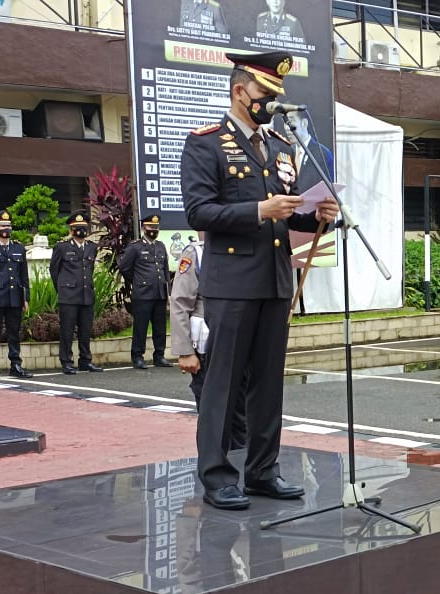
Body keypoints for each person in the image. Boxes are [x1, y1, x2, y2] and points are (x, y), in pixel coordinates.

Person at [181, 50, 339, 510]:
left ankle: (262, 470)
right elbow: (199, 211)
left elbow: (288, 219)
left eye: (275, 96)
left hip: (274, 280)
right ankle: (216, 476)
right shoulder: (206, 143)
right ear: (239, 91)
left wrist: (317, 217)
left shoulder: (282, 147)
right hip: (231, 282)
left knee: (268, 384)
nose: (270, 102)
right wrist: (258, 210)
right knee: (224, 384)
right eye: (264, 94)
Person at [169, 238, 247, 451]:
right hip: (207, 350)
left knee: (243, 420)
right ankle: (214, 476)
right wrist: (185, 351)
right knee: (214, 420)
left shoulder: (248, 250)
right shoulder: (197, 253)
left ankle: (241, 472)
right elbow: (180, 303)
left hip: (241, 347)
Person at [50, 211, 103, 374]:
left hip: (86, 294)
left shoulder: (92, 248)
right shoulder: (62, 247)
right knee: (67, 330)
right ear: (71, 230)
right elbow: (54, 270)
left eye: (83, 228)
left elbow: (90, 269)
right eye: (77, 228)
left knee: (86, 330)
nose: (81, 231)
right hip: (69, 296)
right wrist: (63, 289)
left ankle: (85, 360)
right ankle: (66, 361)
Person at [120, 214, 173, 370]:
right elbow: (124, 267)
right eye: (151, 228)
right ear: (144, 228)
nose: (154, 231)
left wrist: (167, 292)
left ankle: (159, 356)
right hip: (142, 294)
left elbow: (164, 270)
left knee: (160, 327)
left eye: (156, 228)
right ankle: (137, 357)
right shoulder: (135, 247)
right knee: (141, 327)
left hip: (159, 293)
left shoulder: (161, 246)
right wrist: (137, 281)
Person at [0, 210, 32, 381]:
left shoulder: (18, 248)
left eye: (9, 225)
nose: (7, 228)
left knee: (14, 333)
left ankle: (16, 365)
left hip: (14, 297)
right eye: (2, 225)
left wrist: (26, 298)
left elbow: (24, 276)